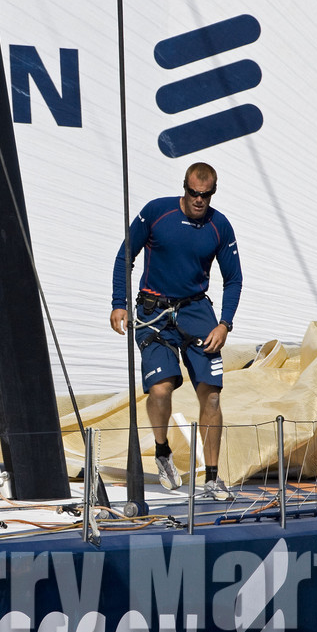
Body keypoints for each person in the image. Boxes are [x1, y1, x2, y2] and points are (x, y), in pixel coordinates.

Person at [110, 162, 242, 500]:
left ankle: (212, 478)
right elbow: (126, 255)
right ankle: (163, 451)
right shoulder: (157, 212)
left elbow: (234, 279)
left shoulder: (219, 226)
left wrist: (225, 323)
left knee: (211, 395)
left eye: (206, 195)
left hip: (197, 312)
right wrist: (119, 302)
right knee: (160, 391)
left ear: (213, 193)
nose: (199, 200)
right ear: (184, 187)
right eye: (194, 193)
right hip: (154, 311)